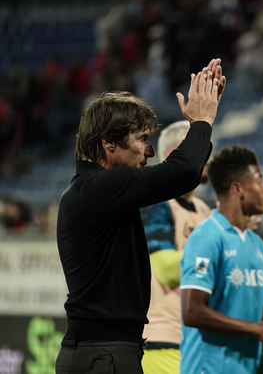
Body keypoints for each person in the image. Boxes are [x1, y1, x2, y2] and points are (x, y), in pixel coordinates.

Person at [55, 58, 225, 374]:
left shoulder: (91, 192)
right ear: (108, 143)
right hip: (104, 356)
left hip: (99, 353)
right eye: (142, 139)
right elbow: (185, 171)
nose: (149, 152)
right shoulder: (101, 187)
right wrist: (202, 120)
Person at [180, 145, 263, 374]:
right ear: (238, 189)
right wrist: (256, 329)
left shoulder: (259, 247)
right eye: (259, 181)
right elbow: (192, 312)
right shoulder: (206, 236)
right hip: (209, 369)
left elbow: (259, 324)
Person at [140, 120, 213, 374]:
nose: (209, 158)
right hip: (162, 339)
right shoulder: (157, 203)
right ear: (174, 154)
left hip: (196, 340)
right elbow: (166, 268)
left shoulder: (205, 211)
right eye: (203, 150)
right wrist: (216, 259)